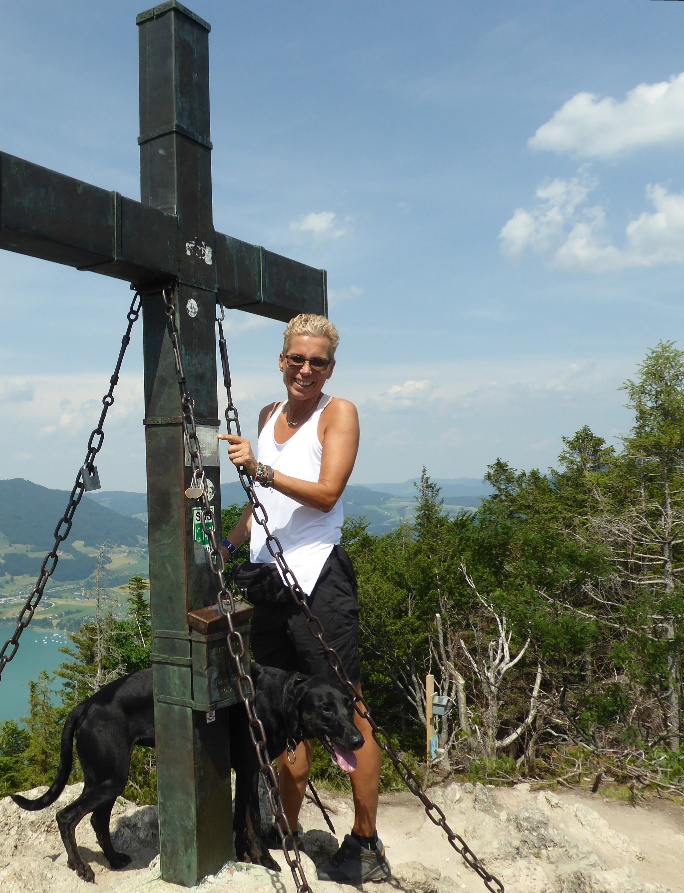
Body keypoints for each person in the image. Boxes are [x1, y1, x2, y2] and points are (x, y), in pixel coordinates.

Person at [218, 313, 389, 885]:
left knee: (347, 710)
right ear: (281, 360)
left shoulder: (337, 413)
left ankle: (365, 841)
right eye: (297, 358)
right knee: (280, 709)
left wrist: (260, 468)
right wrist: (230, 543)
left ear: (331, 367)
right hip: (270, 583)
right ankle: (283, 831)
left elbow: (326, 493)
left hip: (320, 583)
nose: (306, 369)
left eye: (318, 361)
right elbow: (260, 507)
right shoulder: (268, 416)